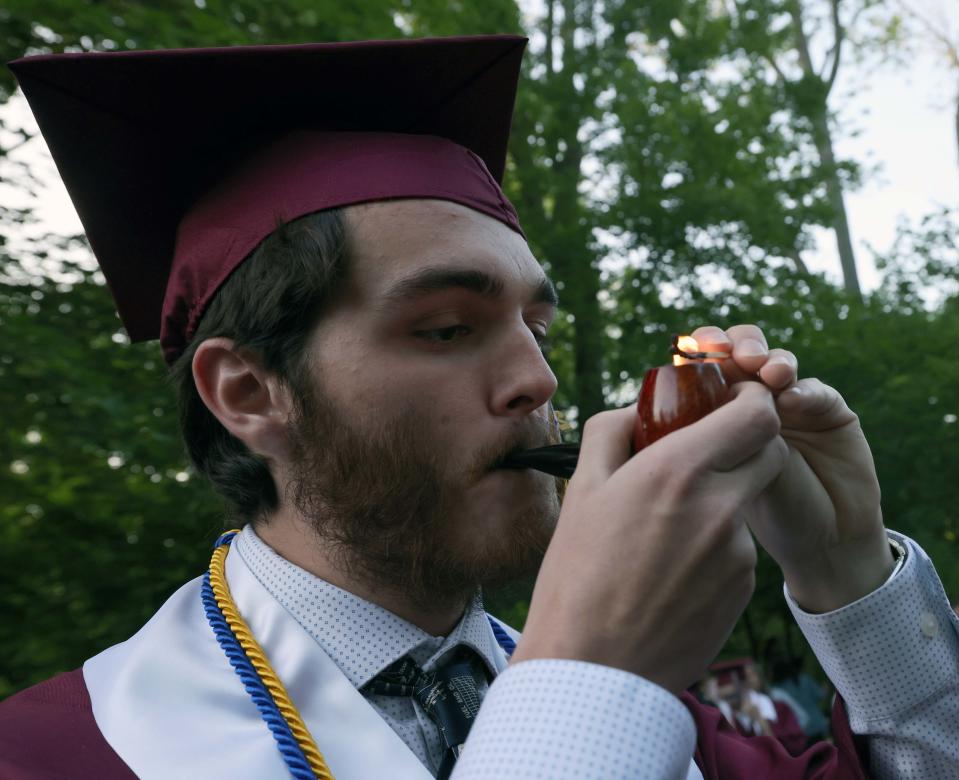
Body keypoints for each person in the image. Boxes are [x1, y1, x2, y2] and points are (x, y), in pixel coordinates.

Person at [2, 35, 958, 780]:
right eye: (447, 328)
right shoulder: (59, 753)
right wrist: (591, 694)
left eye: (534, 325)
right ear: (250, 394)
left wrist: (850, 581)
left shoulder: (687, 734)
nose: (535, 379)